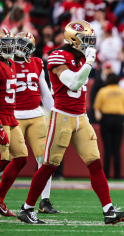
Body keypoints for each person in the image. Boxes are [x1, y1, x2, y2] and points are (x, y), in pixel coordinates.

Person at [17, 20, 124, 224]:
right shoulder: (58, 55)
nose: (89, 44)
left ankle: (108, 211)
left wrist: (86, 61)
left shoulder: (80, 56)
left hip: (81, 116)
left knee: (95, 163)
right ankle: (27, 209)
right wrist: (88, 62)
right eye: (85, 39)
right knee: (49, 165)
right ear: (73, 39)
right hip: (62, 115)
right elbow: (73, 82)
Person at [13, 32, 58, 214]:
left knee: (45, 158)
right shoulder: (5, 63)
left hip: (35, 114)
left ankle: (44, 200)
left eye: (26, 44)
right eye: (19, 43)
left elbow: (45, 92)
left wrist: (55, 114)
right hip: (13, 115)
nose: (22, 47)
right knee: (6, 158)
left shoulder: (37, 62)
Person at [0, 28, 29, 218]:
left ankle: (0, 199)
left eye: (10, 43)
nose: (9, 47)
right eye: (5, 43)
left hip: (11, 116)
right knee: (2, 160)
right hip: (1, 118)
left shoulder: (10, 62)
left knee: (21, 158)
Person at [94, 73, 124, 179]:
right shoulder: (122, 92)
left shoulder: (103, 91)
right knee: (117, 148)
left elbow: (97, 107)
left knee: (107, 148)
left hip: (106, 119)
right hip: (119, 119)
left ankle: (106, 174)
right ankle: (117, 175)